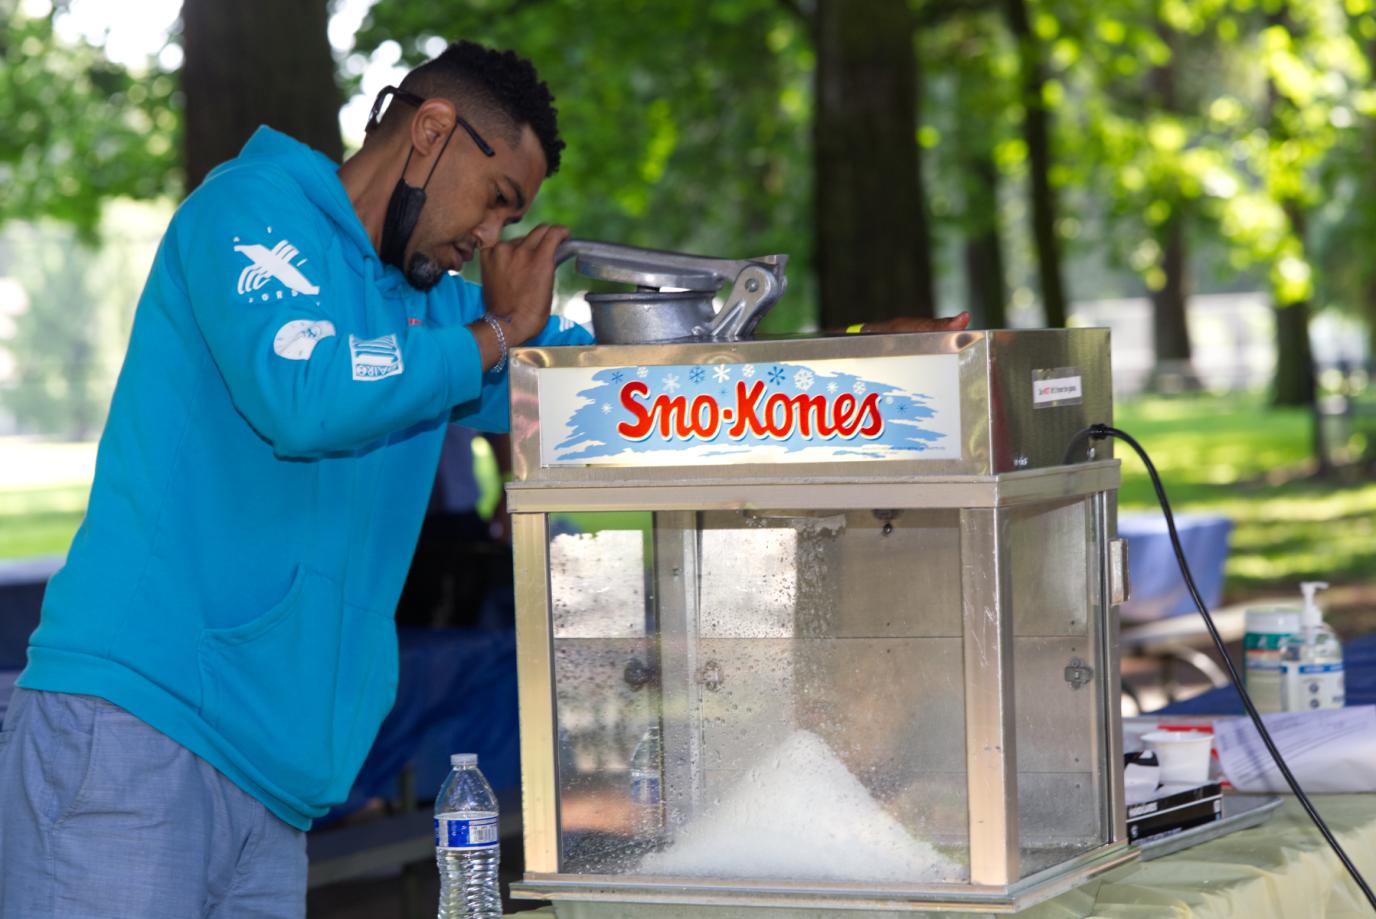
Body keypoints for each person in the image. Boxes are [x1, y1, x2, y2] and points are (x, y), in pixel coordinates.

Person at [0, 38, 969, 919]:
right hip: (134, 732)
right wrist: (496, 332)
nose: (498, 233)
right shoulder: (248, 214)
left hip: (271, 779)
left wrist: (872, 354)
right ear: (430, 132)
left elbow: (636, 389)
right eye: (499, 195)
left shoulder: (432, 316)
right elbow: (307, 391)